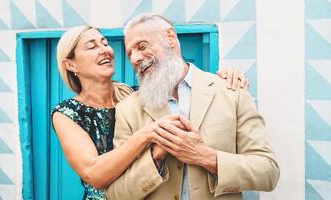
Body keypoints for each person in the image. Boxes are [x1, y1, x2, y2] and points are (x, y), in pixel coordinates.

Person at [51, 26, 248, 200]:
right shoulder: (67, 113)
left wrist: (225, 77)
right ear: (71, 65)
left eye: (105, 43)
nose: (105, 50)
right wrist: (147, 134)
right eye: (92, 46)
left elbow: (186, 83)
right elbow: (94, 174)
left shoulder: (139, 95)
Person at [106, 13, 280, 200]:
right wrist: (155, 158)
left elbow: (268, 172)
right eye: (130, 53)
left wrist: (205, 156)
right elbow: (116, 195)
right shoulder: (127, 110)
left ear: (170, 37)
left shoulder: (232, 92)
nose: (135, 59)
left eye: (142, 46)